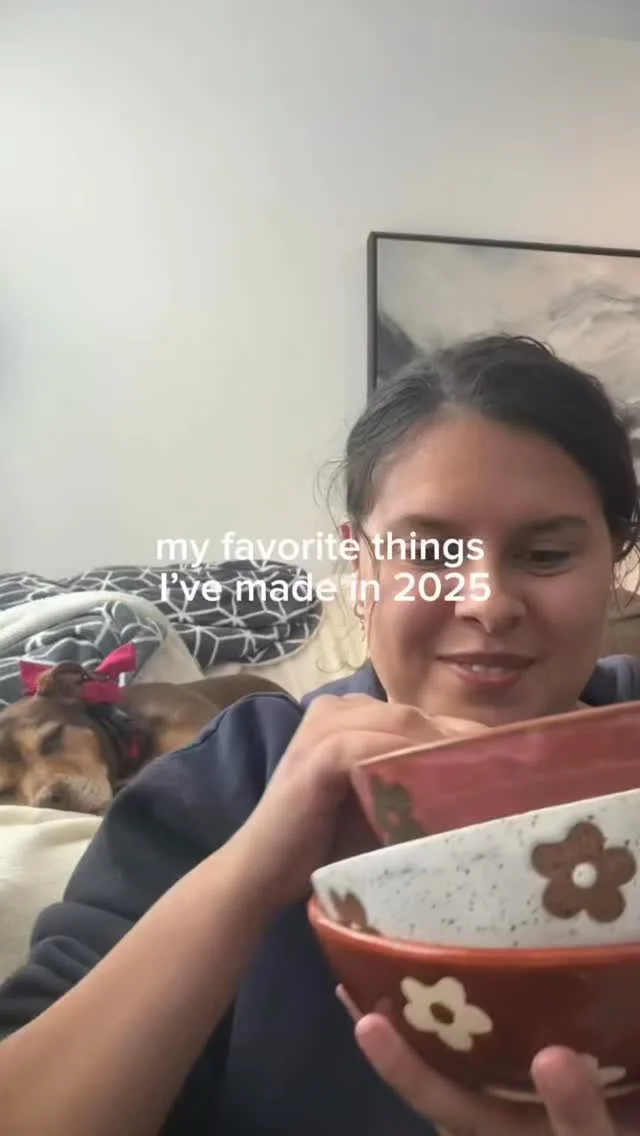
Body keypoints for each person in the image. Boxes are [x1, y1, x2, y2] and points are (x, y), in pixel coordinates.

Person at [0, 333, 638, 1136]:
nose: (487, 602)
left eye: (544, 555)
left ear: (615, 559)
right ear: (359, 567)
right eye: (428, 554)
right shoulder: (235, 776)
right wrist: (247, 879)